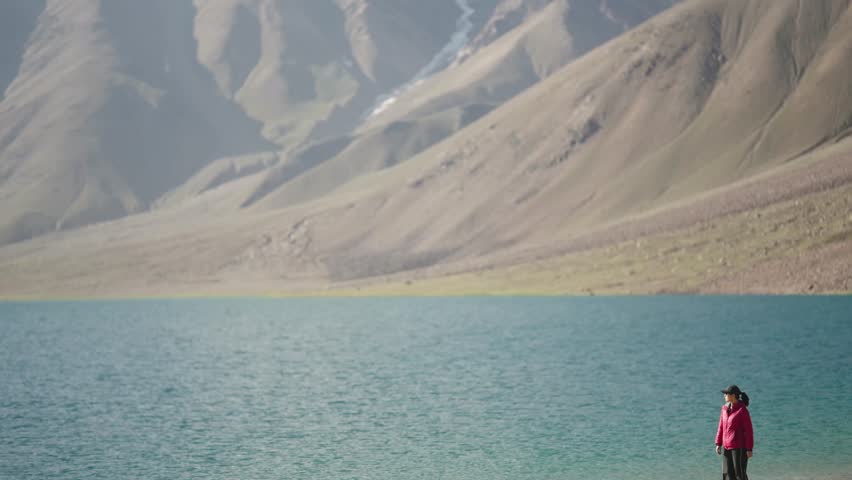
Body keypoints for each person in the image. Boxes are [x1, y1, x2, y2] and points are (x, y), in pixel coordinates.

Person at [715, 385, 753, 480]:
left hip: (739, 448)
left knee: (739, 475)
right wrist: (718, 443)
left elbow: (749, 431)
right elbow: (721, 427)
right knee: (727, 474)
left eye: (726, 394)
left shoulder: (742, 410)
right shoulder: (724, 409)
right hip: (726, 446)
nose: (724, 396)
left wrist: (749, 448)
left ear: (733, 395)